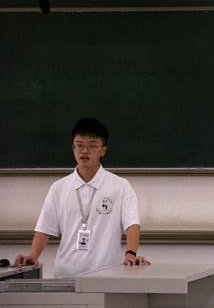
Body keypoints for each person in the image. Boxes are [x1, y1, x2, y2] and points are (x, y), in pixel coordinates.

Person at [15, 118, 150, 278]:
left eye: (92, 145)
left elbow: (132, 224)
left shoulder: (120, 186)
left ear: (103, 150)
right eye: (79, 145)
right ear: (73, 148)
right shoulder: (59, 188)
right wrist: (33, 255)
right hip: (66, 276)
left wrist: (131, 253)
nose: (84, 151)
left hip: (107, 276)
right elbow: (44, 229)